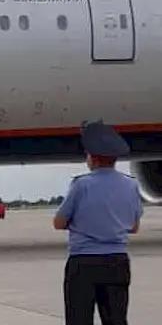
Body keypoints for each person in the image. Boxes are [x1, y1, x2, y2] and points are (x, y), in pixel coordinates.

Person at [54, 120, 143, 325]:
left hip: (84, 263)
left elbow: (58, 222)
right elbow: (134, 227)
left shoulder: (81, 185)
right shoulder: (131, 185)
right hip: (117, 262)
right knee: (116, 320)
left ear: (92, 158)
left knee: (79, 319)